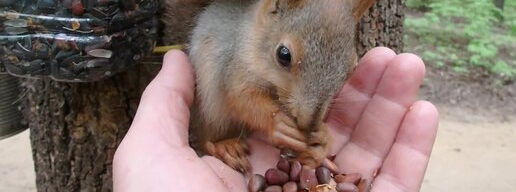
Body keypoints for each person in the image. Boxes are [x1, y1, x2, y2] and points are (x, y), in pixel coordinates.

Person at [113, 47, 439, 192]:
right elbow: (237, 94)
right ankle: (219, 140)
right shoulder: (255, 49)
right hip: (229, 93)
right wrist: (271, 120)